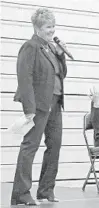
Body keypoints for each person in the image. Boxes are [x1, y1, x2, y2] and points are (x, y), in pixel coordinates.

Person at [11, 8, 67, 205]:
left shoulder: (51, 48)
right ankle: (21, 194)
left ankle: (46, 191)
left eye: (53, 26)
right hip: (39, 105)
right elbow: (24, 78)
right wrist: (29, 109)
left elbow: (61, 74)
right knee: (30, 147)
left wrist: (61, 55)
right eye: (47, 27)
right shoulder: (30, 47)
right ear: (36, 27)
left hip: (56, 103)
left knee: (54, 146)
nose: (51, 31)